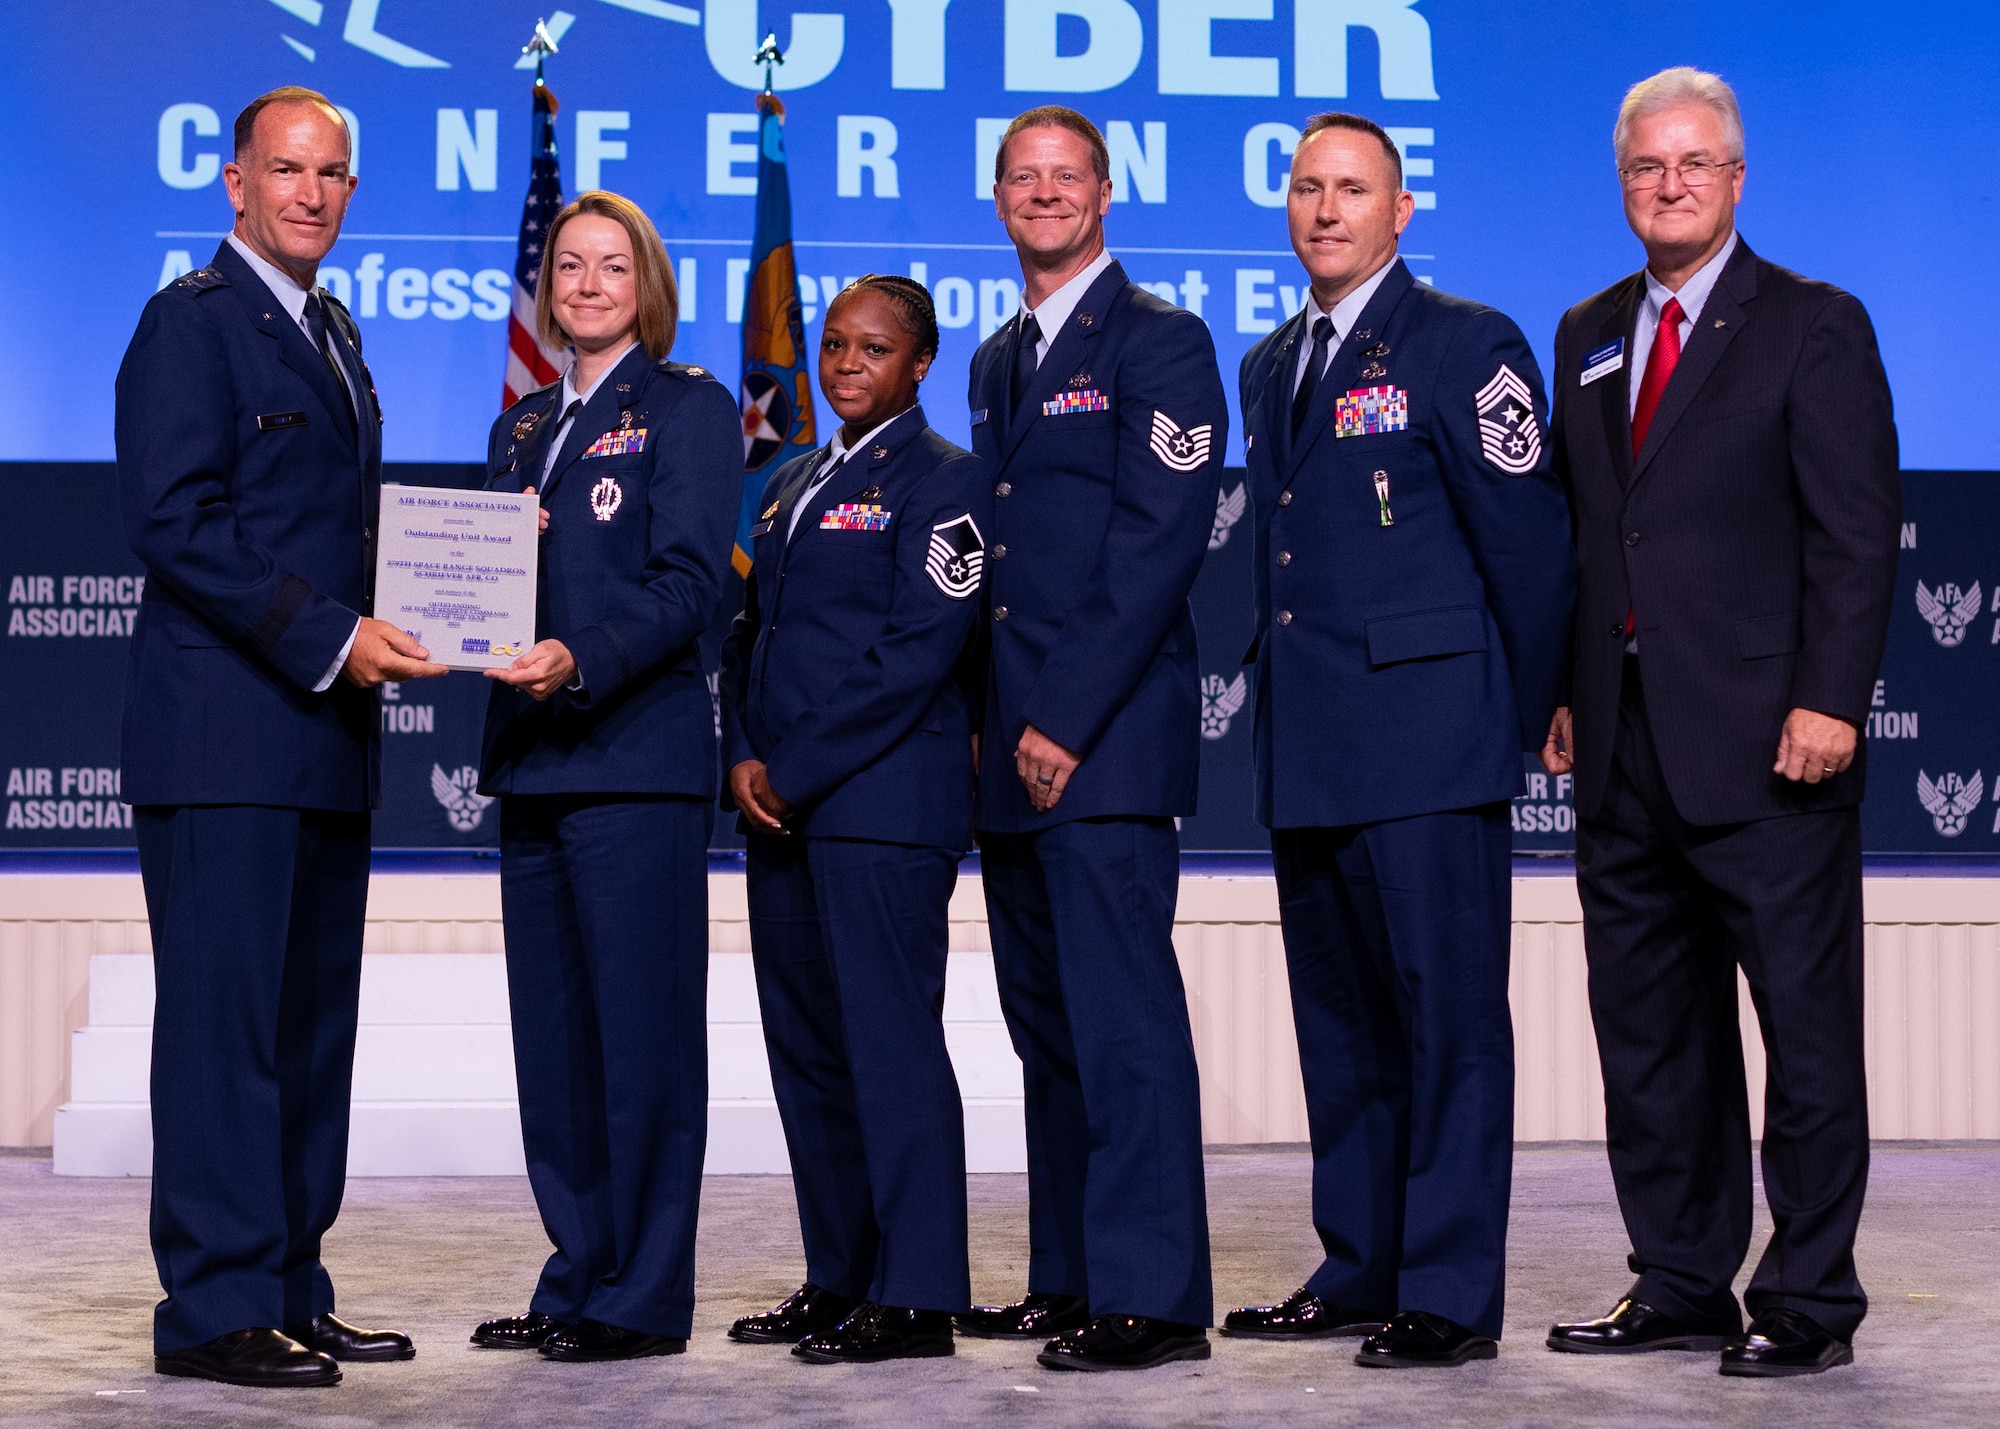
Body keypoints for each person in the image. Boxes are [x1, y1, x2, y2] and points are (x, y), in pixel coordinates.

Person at [1540, 68, 1899, 1377]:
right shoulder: (1584, 330)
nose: (1671, 185)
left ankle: (1807, 1300)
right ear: (1623, 183)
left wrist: (1828, 698)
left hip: (1769, 746)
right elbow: (1588, 535)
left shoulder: (1812, 324)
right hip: (1624, 747)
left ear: (1737, 180)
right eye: (1649, 167)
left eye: (1696, 165)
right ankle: (1682, 1279)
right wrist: (1565, 690)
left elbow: (1856, 536)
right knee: (1654, 1042)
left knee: (1804, 1042)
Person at [1224, 113, 1574, 1369]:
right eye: (1307, 189)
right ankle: (1359, 1261)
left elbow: (1526, 545)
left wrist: (1534, 704)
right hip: (1311, 740)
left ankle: (1444, 1290)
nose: (1326, 210)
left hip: (1429, 740)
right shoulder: (1268, 361)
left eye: (1351, 189)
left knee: (1447, 1024)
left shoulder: (1464, 342)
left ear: (1400, 208)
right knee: (1342, 1026)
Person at [115, 86, 445, 1389]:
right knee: (225, 1029)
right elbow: (175, 519)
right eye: (286, 170)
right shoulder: (188, 325)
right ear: (235, 183)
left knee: (308, 1029)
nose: (310, 193)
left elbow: (333, 531)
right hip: (225, 738)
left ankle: (290, 1284)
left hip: (321, 736)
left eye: (333, 175)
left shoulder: (336, 332)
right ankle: (212, 1304)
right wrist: (330, 633)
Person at [952, 107, 1225, 1373]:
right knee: (1044, 1026)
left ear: (1104, 195)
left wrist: (1060, 719)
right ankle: (1068, 1272)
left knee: (1120, 1027)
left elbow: (1156, 545)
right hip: (1010, 750)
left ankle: (1153, 1296)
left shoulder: (1161, 342)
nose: (1042, 194)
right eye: (1023, 178)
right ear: (997, 198)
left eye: (1065, 177)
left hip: (1098, 743)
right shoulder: (1000, 356)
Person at [466, 192, 740, 1363]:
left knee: (643, 1044)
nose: (583, 283)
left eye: (609, 266)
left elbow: (692, 585)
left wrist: (583, 655)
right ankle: (577, 1269)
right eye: (567, 265)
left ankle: (639, 1294)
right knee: (558, 1048)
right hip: (532, 767)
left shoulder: (686, 408)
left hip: (633, 761)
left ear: (647, 285)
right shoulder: (521, 427)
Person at [718, 276, 992, 1364]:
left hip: (881, 805)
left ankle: (917, 1290)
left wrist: (794, 768)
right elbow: (747, 633)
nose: (842, 363)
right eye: (833, 344)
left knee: (887, 1047)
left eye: (871, 349)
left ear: (917, 364)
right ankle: (839, 1273)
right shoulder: (788, 480)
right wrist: (744, 753)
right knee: (810, 1054)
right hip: (779, 805)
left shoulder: (947, 481)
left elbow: (915, 653)